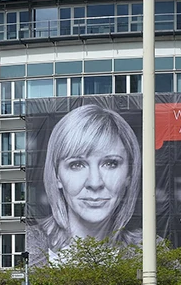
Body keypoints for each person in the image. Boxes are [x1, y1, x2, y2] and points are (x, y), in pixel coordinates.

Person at [29, 104, 141, 266]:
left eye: (110, 163)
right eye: (77, 165)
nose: (95, 183)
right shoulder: (24, 245)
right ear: (56, 176)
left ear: (129, 174)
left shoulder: (152, 252)